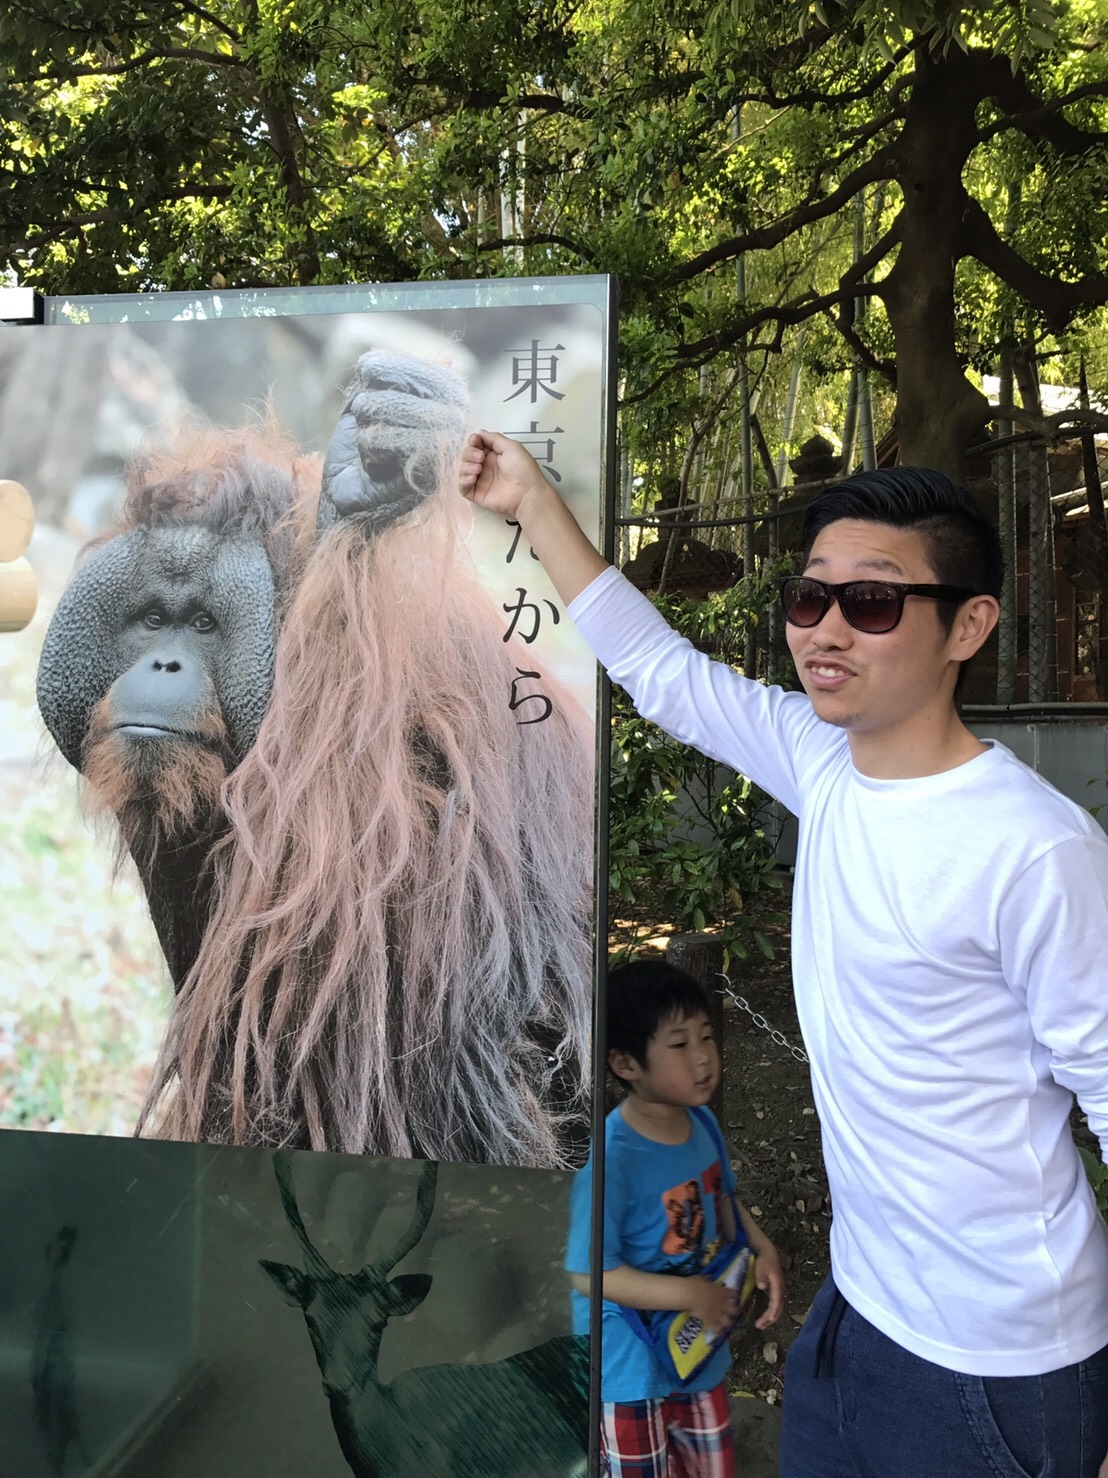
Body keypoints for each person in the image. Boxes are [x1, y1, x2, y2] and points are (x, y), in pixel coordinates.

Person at [460, 431, 1108, 1478]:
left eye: (875, 602)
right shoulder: (825, 759)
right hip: (855, 1308)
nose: (826, 631)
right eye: (810, 600)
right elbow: (662, 671)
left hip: (1000, 1359)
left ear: (968, 625)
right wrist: (532, 502)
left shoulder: (1036, 850)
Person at [565, 959, 785, 1477]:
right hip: (628, 1370)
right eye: (681, 1045)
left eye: (706, 1037)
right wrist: (691, 1294)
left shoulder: (703, 1124)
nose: (705, 1057)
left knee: (712, 1465)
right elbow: (588, 1272)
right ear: (626, 1064)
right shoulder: (610, 1159)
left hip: (696, 1350)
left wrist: (763, 1250)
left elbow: (723, 1200)